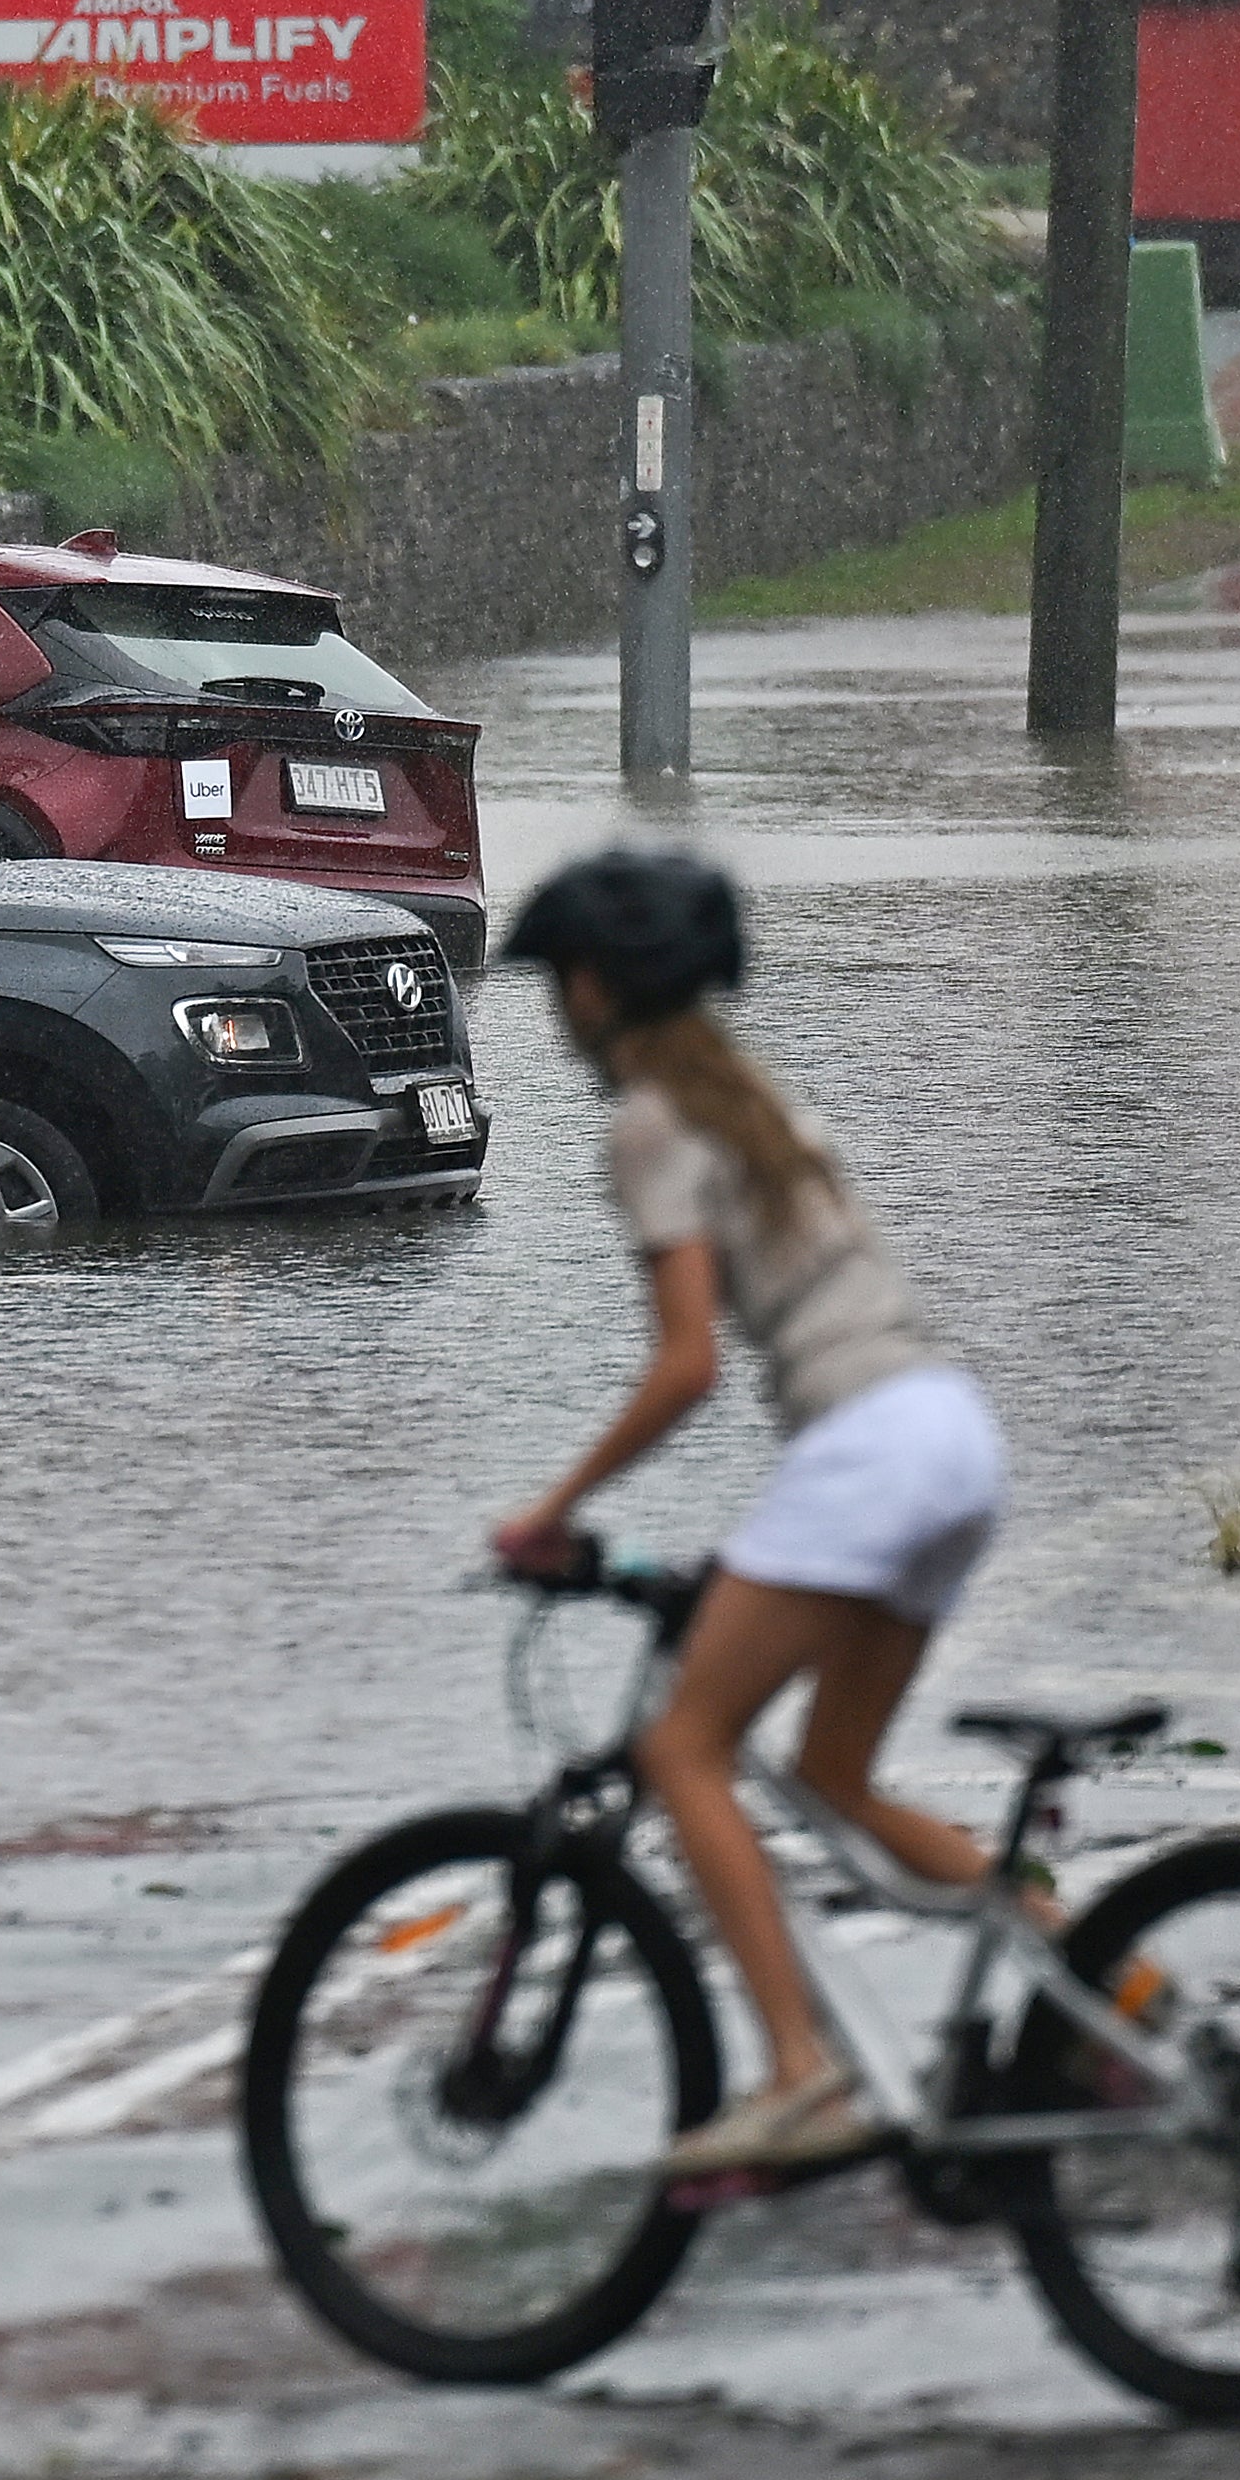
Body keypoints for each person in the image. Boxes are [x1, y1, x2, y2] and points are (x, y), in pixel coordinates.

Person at [488, 849, 1016, 2180]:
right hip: (950, 1433)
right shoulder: (756, 1099)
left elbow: (686, 1364)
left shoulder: (653, 1121)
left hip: (870, 1448)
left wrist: (551, 1506)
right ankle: (1107, 2000)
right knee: (833, 1775)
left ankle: (802, 2071)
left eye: (561, 986)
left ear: (600, 987)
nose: (557, 1016)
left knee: (682, 1750)